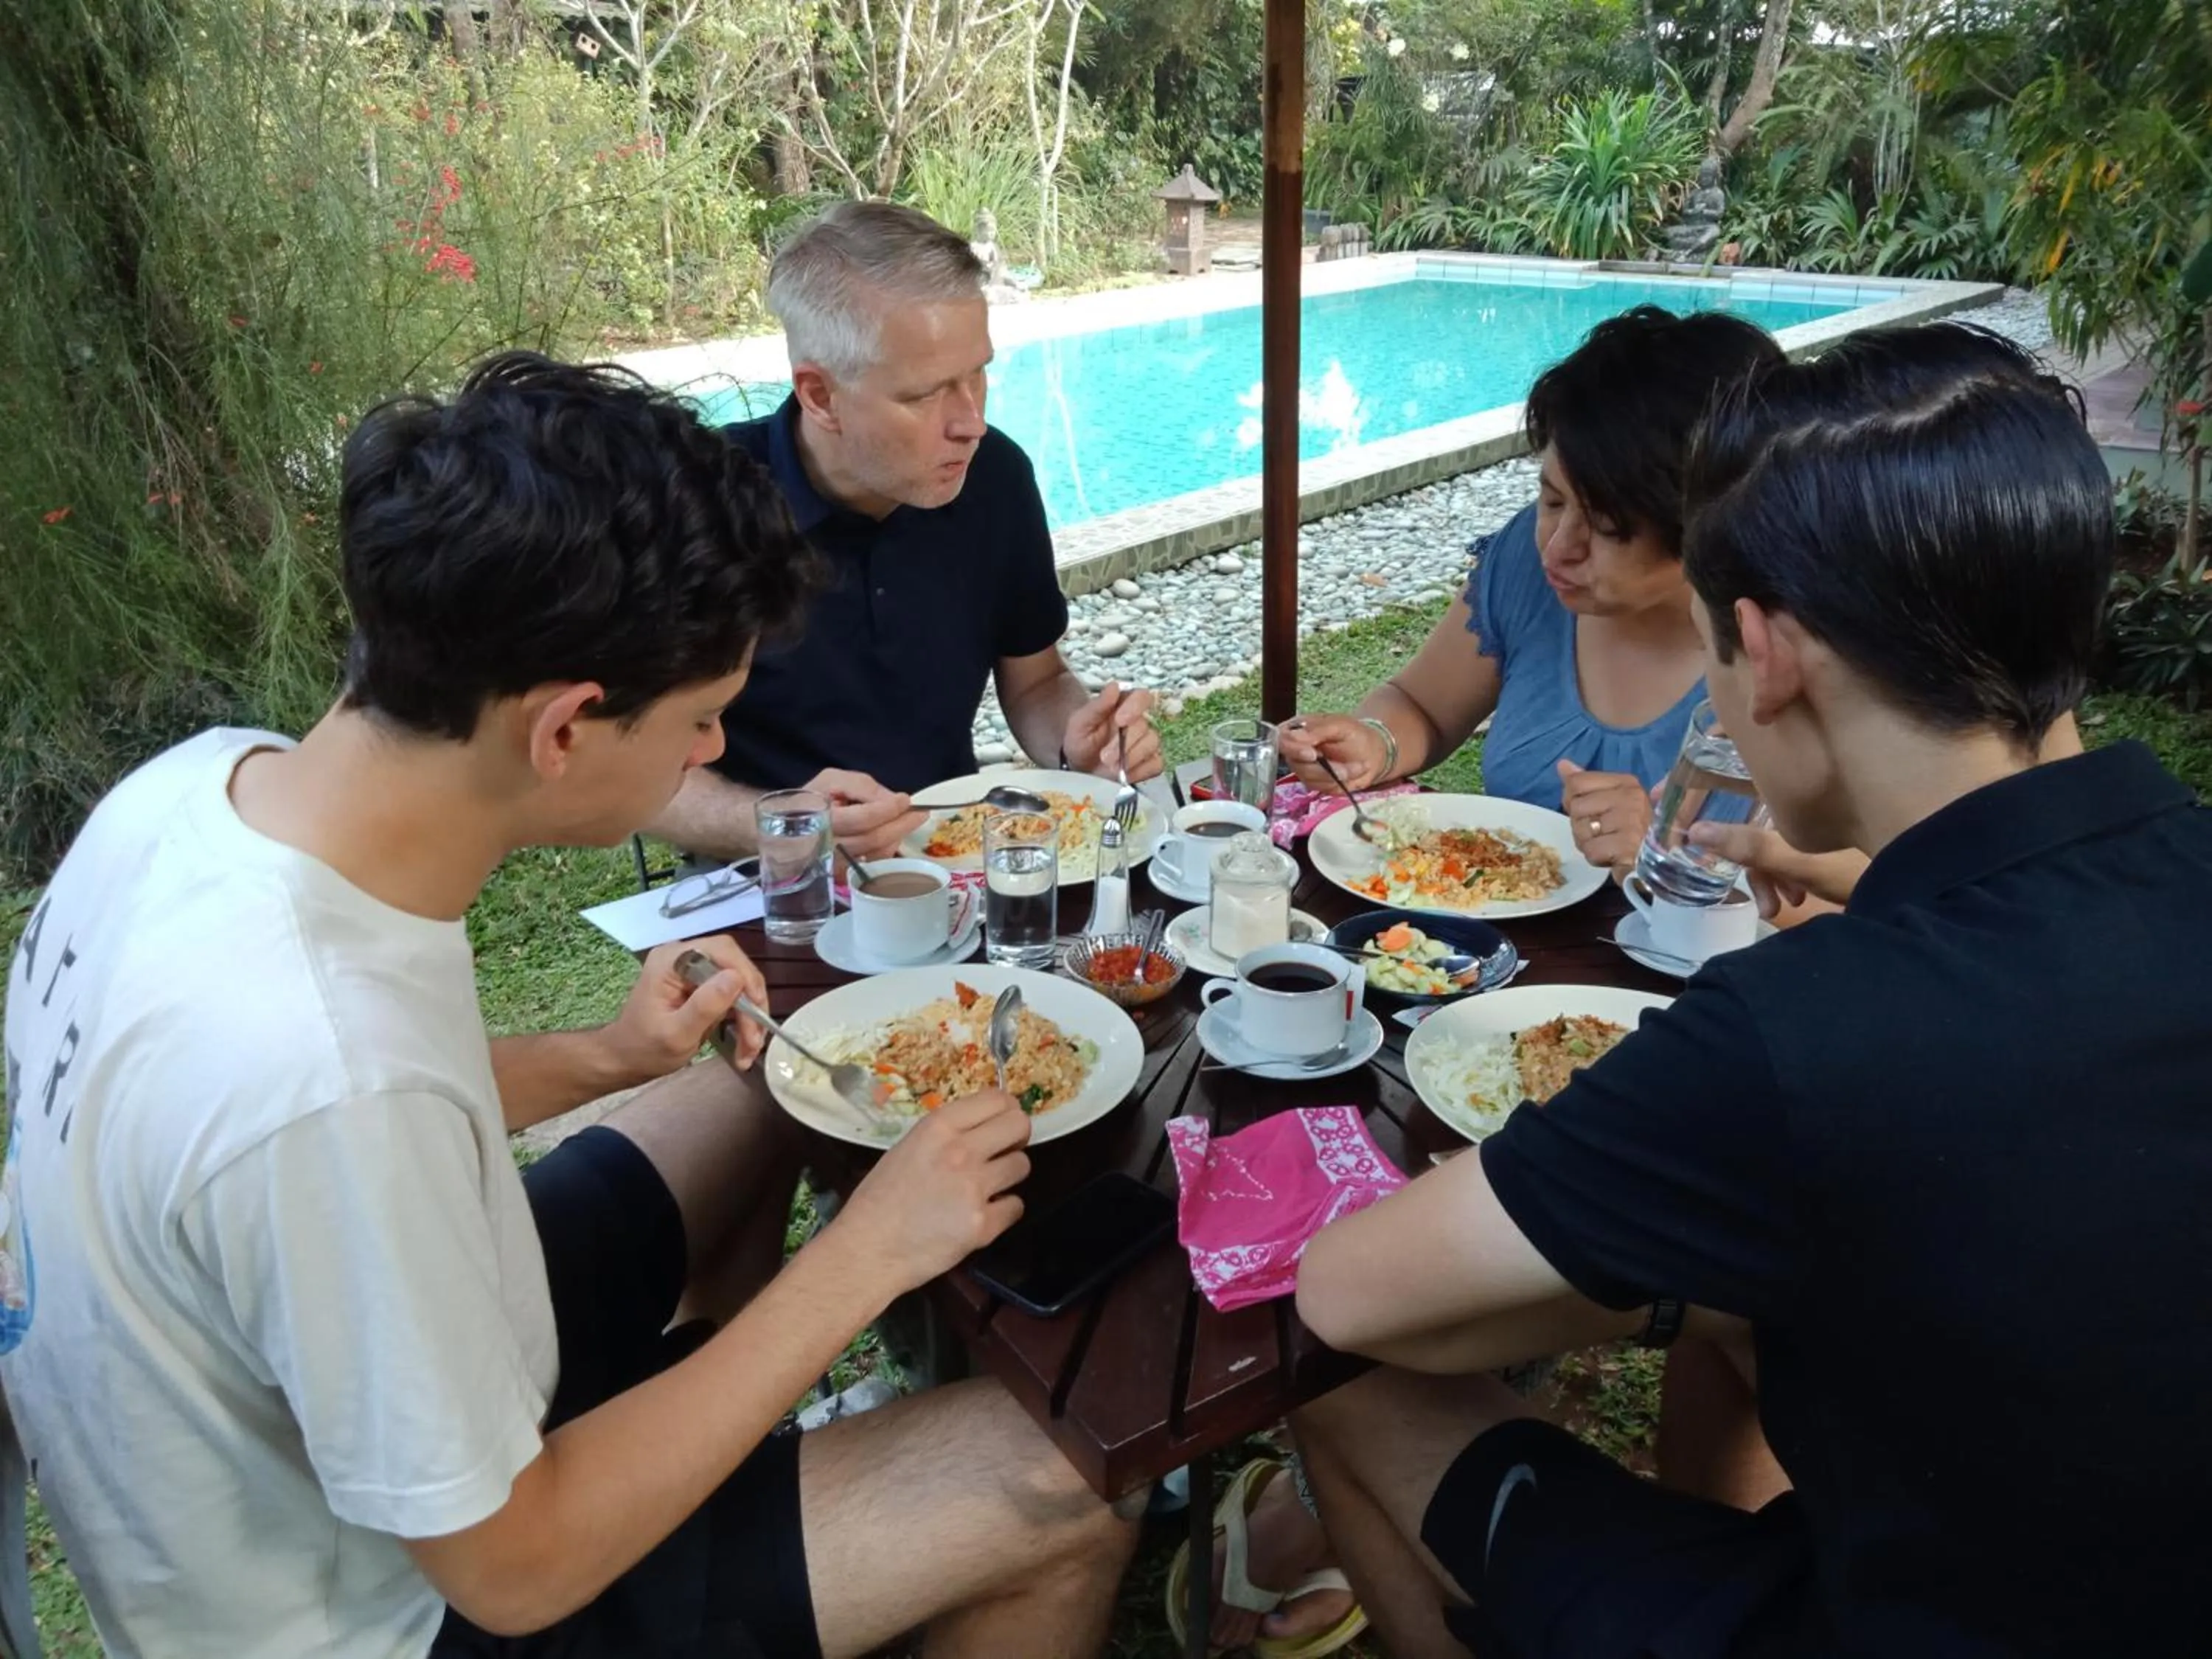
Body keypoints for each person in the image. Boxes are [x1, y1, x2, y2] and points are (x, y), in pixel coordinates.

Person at [0, 353, 1138, 1659]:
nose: (715, 755)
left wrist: (605, 1057)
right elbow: (515, 1569)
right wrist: (863, 1257)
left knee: (761, 1086)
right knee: (1060, 1476)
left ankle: (730, 1470)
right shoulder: (328, 1085)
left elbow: (263, 1132)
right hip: (381, 1607)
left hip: (355, 1376)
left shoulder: (204, 793)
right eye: (706, 720)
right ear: (565, 730)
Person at [1288, 323, 2212, 1657]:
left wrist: (1690, 1267)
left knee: (1347, 1386)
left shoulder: (1806, 1032)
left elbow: (1350, 1293)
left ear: (1764, 655)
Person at [649, 201, 1161, 866]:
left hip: (951, 856)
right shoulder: (701, 506)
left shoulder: (994, 478)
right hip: (761, 877)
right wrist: (783, 825)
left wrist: (1078, 744)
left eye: (979, 372)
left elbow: (1035, 682)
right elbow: (637, 771)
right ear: (821, 396)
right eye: (925, 395)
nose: (970, 422)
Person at [1280, 306, 1787, 874]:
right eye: (1551, 500)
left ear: (1707, 529)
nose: (1557, 547)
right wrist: (1375, 743)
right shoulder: (1531, 562)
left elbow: (1860, 906)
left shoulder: (1804, 653)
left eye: (1608, 528)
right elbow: (1424, 705)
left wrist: (1664, 861)